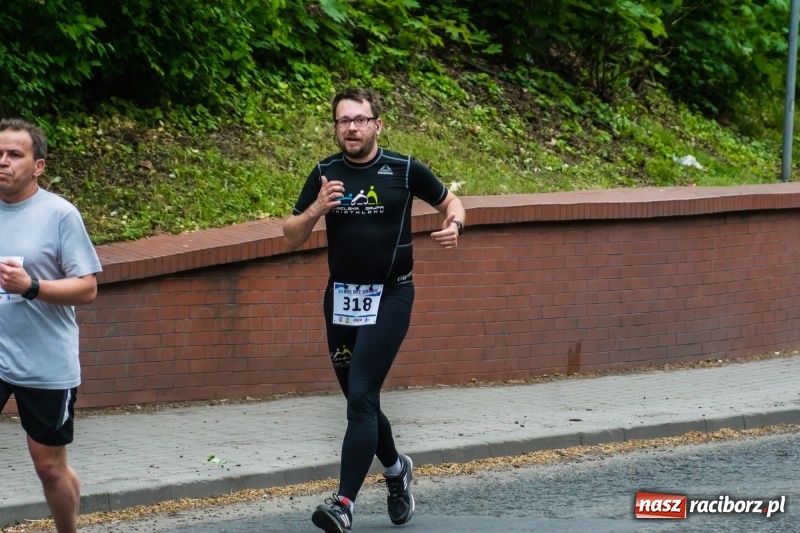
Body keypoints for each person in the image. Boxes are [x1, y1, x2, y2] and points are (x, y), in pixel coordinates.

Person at [283, 87, 466, 532]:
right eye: (344, 121)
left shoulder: (403, 169)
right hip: (342, 298)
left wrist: (455, 224)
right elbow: (290, 233)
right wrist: (315, 210)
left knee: (362, 395)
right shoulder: (325, 173)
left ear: (376, 125)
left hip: (391, 295)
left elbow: (451, 202)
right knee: (359, 398)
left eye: (360, 120)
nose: (352, 128)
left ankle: (344, 503)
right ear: (335, 127)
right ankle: (396, 469)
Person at [0, 118, 102, 533]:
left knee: (48, 467)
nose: (3, 162)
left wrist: (32, 287)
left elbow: (87, 288)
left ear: (38, 165)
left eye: (14, 155)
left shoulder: (60, 214)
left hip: (45, 363)